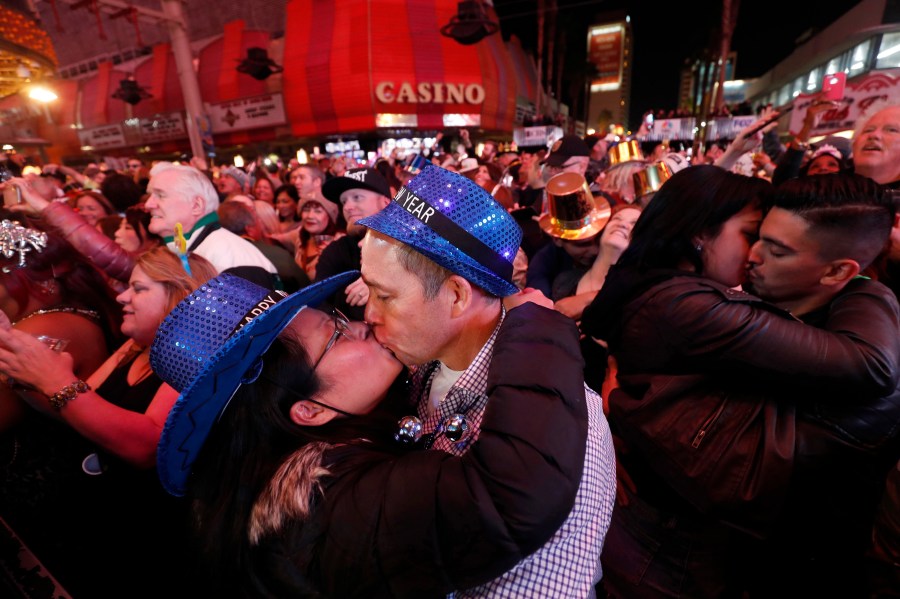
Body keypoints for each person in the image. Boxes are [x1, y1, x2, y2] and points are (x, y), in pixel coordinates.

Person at [149, 271, 588, 597]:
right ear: (310, 409)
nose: (364, 321)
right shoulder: (324, 506)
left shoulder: (312, 455)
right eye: (336, 335)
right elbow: (509, 496)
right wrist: (534, 330)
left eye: (340, 316)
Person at [580, 169, 900, 597]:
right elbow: (869, 366)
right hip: (672, 548)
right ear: (699, 234)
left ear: (835, 270)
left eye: (776, 248)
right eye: (755, 235)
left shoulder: (852, 360)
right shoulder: (685, 302)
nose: (754, 256)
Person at [358, 164, 616, 596]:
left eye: (385, 296)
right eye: (368, 290)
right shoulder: (418, 363)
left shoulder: (562, 436)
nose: (368, 314)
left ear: (457, 296)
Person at [0, 246, 217, 597]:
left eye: (139, 288)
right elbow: (82, 408)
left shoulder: (197, 355)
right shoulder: (135, 345)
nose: (122, 297)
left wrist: (57, 381)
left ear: (181, 296)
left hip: (146, 531)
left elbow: (148, 445)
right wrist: (20, 363)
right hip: (101, 518)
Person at [144, 162, 279, 288]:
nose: (148, 204)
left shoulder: (230, 257)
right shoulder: (185, 249)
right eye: (150, 195)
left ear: (196, 205)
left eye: (160, 195)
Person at [315, 167, 392, 321]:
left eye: (357, 197)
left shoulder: (413, 246)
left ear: (385, 202)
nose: (347, 207)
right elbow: (317, 306)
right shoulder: (335, 252)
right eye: (344, 201)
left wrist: (385, 282)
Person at [218, 200, 310, 293]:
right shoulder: (276, 255)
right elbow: (307, 289)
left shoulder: (214, 254)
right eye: (257, 220)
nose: (260, 224)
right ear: (249, 229)